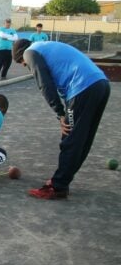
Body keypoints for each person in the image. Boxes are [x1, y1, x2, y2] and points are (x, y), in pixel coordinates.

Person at [12, 39, 110, 200]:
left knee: (71, 138)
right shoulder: (45, 46)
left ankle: (58, 186)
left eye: (23, 63)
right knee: (82, 139)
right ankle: (62, 181)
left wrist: (60, 113)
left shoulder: (29, 53)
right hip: (101, 83)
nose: (26, 65)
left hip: (83, 87)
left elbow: (45, 84)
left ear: (20, 55)